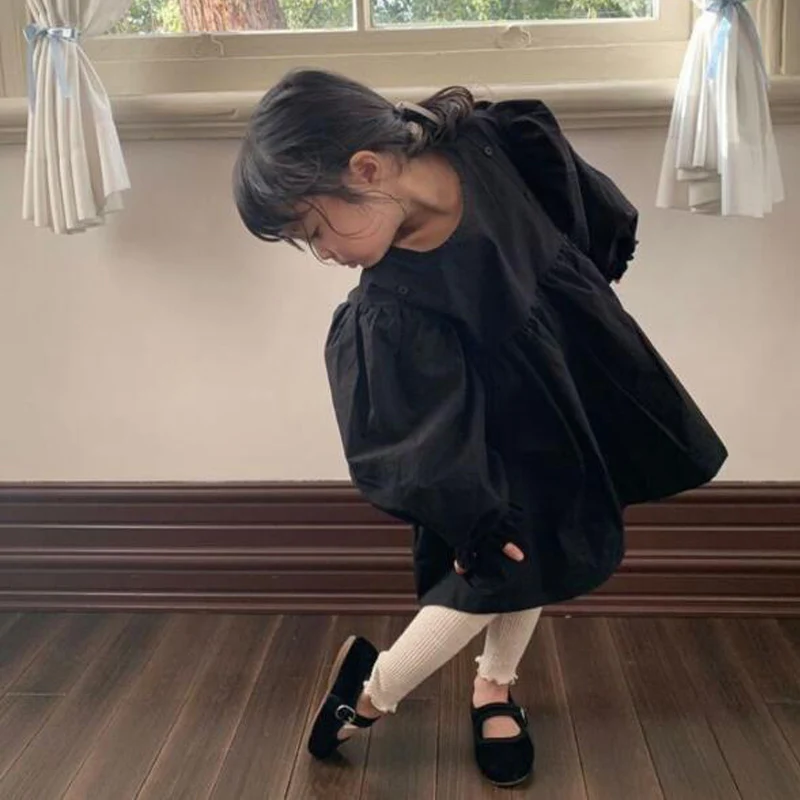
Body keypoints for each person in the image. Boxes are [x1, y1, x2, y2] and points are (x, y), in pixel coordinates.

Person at [233, 69, 727, 788]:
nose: (324, 255)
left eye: (314, 230)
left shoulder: (493, 143)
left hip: (564, 376)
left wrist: (586, 293)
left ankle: (493, 686)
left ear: (366, 169)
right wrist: (470, 516)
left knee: (545, 546)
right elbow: (410, 433)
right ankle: (371, 695)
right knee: (502, 562)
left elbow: (569, 207)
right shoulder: (392, 301)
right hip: (485, 434)